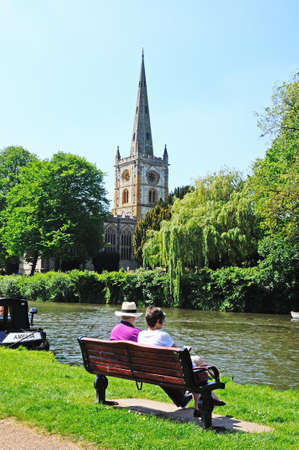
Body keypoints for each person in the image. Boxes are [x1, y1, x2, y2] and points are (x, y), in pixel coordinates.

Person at [138, 306, 225, 416]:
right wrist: (186, 350)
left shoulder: (141, 335)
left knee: (195, 361)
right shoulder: (163, 335)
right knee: (194, 368)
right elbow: (178, 354)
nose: (163, 323)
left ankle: (210, 398)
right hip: (171, 372)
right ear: (158, 322)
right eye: (163, 321)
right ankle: (202, 403)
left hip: (152, 370)